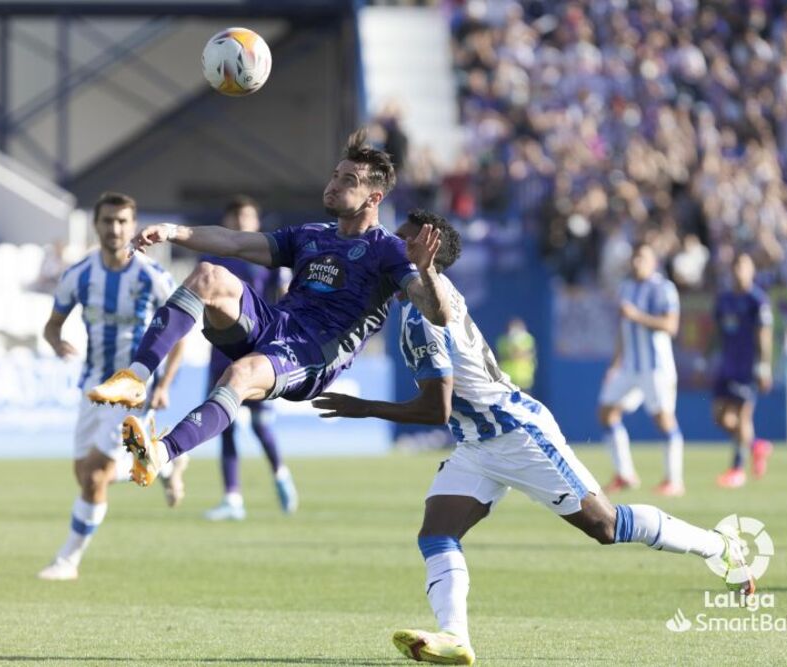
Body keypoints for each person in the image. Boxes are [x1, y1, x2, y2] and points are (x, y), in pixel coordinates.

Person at [312, 212, 754, 667]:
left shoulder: (424, 315)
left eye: (401, 239)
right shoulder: (423, 299)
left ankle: (719, 547)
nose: (389, 244)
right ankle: (454, 637)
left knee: (607, 527)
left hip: (517, 435)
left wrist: (362, 408)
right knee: (436, 532)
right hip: (476, 444)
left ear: (426, 250)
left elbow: (435, 409)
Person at [86, 129, 451, 487]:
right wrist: (174, 231)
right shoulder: (312, 234)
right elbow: (235, 242)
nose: (335, 184)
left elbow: (438, 313)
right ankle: (134, 379)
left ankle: (160, 455)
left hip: (313, 353)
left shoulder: (387, 249)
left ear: (374, 197)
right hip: (275, 323)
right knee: (208, 274)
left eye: (349, 180)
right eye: (335, 175)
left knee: (239, 375)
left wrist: (425, 270)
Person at [37, 191, 187, 581]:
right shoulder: (79, 275)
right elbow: (51, 325)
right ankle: (158, 458)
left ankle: (68, 560)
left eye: (122, 221)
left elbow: (181, 331)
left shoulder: (152, 276)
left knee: (94, 477)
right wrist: (56, 342)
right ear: (96, 225)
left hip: (135, 388)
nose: (115, 228)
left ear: (132, 226)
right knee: (86, 476)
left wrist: (165, 384)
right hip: (93, 388)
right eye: (108, 221)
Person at [201, 196, 297, 521]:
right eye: (236, 216)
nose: (242, 222)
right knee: (223, 424)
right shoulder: (213, 260)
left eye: (247, 216)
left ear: (257, 223)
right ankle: (232, 498)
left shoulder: (268, 259)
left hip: (257, 350)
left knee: (260, 425)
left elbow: (284, 299)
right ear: (227, 222)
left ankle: (281, 474)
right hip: (220, 354)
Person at [597, 242, 686, 496]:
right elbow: (623, 331)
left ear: (653, 262)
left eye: (642, 258)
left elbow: (671, 326)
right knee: (606, 412)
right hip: (629, 367)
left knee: (663, 419)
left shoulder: (663, 288)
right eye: (635, 258)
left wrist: (637, 315)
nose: (637, 263)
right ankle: (624, 474)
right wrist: (615, 364)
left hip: (656, 367)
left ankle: (674, 480)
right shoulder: (625, 288)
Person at [712, 252, 774, 488]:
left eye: (743, 266)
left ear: (752, 271)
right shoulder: (724, 299)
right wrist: (704, 360)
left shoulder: (757, 300)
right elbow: (716, 333)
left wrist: (763, 366)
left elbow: (764, 335)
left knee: (742, 416)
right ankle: (756, 445)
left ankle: (737, 470)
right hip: (727, 365)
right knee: (722, 418)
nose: (738, 270)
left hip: (747, 367)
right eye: (735, 266)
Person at [495, 317, 536, 391]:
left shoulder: (528, 339)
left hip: (524, 380)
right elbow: (510, 355)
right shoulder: (503, 341)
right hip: (507, 380)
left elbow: (528, 355)